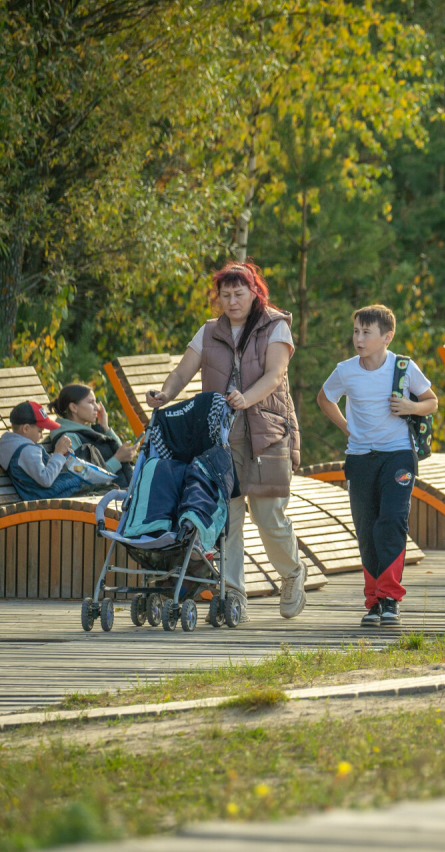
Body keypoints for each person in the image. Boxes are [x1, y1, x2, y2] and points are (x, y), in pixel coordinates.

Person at [147, 260, 307, 621]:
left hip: (267, 435)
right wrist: (165, 394)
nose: (232, 301)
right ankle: (233, 596)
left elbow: (276, 373)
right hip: (219, 439)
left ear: (255, 293)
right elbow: (183, 371)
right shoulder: (208, 331)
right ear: (217, 297)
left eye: (239, 293)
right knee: (228, 521)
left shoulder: (276, 326)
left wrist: (245, 398)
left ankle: (293, 574)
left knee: (269, 518)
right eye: (225, 295)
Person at [317, 304, 439, 628]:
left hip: (398, 454)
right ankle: (373, 602)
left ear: (387, 337)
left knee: (393, 521)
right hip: (359, 457)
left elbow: (432, 401)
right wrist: (346, 427)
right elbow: (324, 398)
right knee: (367, 527)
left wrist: (411, 405)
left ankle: (391, 599)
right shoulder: (345, 370)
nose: (358, 338)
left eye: (366, 332)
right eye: (356, 331)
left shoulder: (403, 367)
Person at [45, 384, 136, 488]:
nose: (97, 407)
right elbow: (84, 476)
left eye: (95, 402)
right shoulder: (67, 438)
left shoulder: (89, 432)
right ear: (74, 407)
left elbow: (121, 454)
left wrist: (105, 428)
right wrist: (117, 459)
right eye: (91, 402)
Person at [0, 401, 85, 501]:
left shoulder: (13, 447)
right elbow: (46, 479)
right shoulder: (27, 451)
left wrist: (61, 455)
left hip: (42, 495)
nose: (41, 436)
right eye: (40, 431)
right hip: (48, 498)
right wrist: (58, 454)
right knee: (93, 486)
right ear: (26, 428)